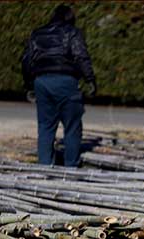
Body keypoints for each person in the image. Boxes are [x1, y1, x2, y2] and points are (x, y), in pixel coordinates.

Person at [22, 4, 96, 167]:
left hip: (41, 82)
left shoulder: (37, 33)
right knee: (72, 126)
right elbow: (81, 57)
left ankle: (44, 167)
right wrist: (90, 79)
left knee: (45, 126)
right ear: (71, 18)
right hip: (66, 81)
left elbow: (27, 60)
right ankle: (71, 169)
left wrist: (28, 85)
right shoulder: (72, 33)